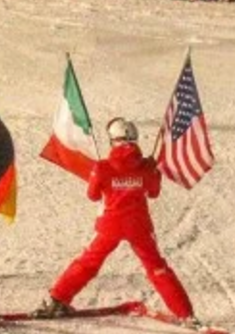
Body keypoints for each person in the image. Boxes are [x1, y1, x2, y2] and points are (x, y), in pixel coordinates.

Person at [34, 118, 196, 324]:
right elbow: (153, 193)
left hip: (110, 225)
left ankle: (57, 299)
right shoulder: (147, 166)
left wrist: (104, 177)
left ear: (113, 140)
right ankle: (185, 313)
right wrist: (151, 171)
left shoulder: (103, 167)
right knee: (157, 267)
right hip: (139, 226)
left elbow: (92, 195)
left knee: (88, 262)